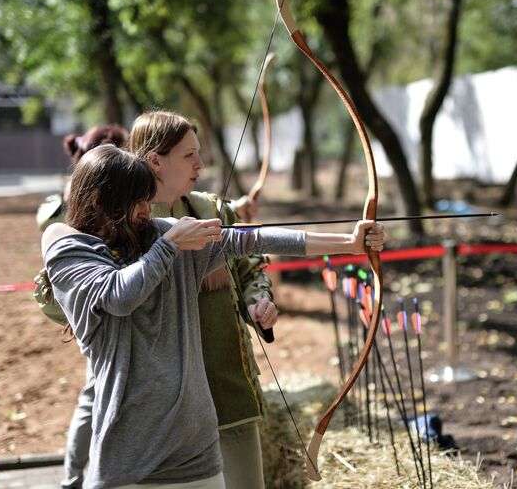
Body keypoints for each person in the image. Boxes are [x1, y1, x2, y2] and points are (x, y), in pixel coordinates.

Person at [41, 145, 384, 488]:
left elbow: (250, 239)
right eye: (138, 202)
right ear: (101, 201)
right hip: (129, 458)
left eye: (149, 200)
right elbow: (118, 296)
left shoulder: (159, 235)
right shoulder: (71, 251)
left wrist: (348, 243)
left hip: (195, 452)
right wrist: (170, 245)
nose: (147, 211)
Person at [128, 111, 274, 489]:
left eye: (200, 153)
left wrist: (258, 304)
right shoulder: (123, 224)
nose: (200, 164)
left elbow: (249, 269)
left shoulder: (213, 210)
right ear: (154, 160)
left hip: (225, 384)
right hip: (164, 402)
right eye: (188, 155)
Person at [34, 124, 129, 489]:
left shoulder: (86, 190)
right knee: (94, 394)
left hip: (96, 306)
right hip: (92, 310)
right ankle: (76, 478)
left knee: (95, 392)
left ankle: (78, 477)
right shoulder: (78, 200)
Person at [36, 124, 129, 232]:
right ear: (104, 155)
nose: (130, 156)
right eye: (125, 149)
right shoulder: (91, 193)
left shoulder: (75, 186)